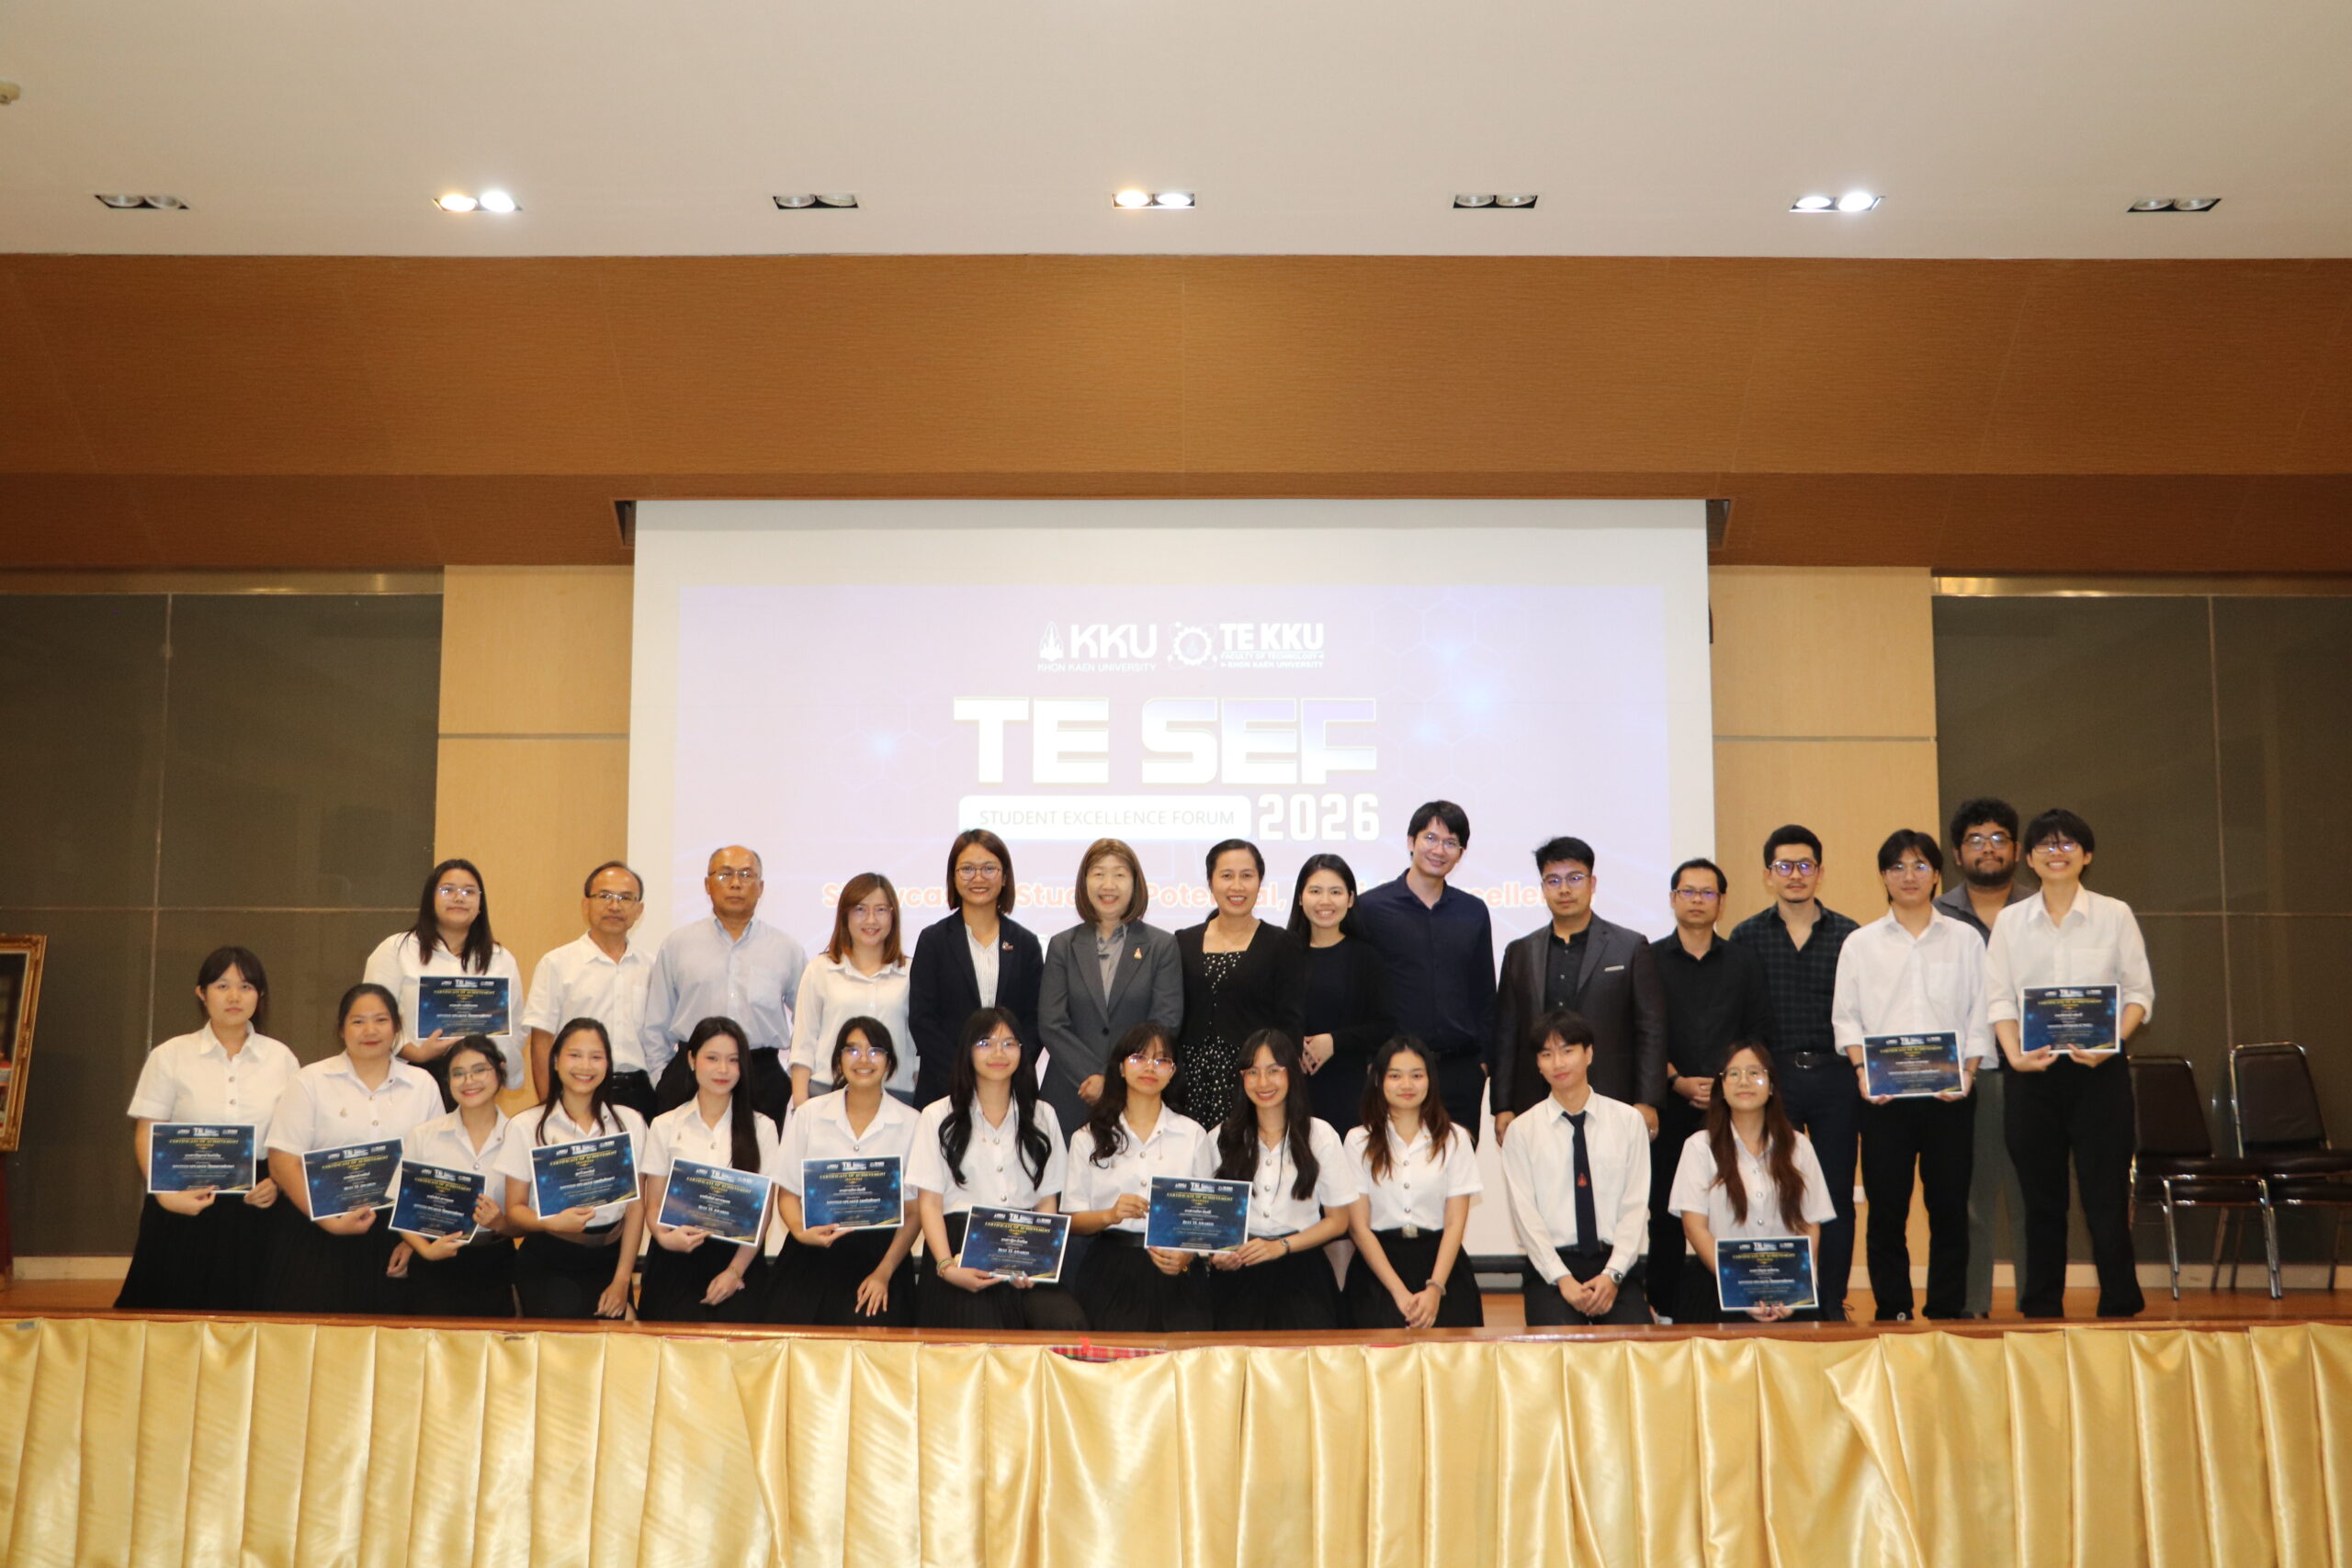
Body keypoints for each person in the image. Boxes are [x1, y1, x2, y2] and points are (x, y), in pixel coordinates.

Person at [1984, 808, 2153, 1320]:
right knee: (2041, 1200)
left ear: (2087, 854)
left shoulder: (2114, 914)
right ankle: (2041, 1305)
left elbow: (2140, 993)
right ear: (2028, 858)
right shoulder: (2010, 921)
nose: (2056, 853)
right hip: (2032, 1076)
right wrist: (2014, 1055)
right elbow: (1999, 998)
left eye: (2067, 844)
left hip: (2100, 1074)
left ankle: (2120, 1302)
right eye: (2045, 845)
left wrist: (2111, 1042)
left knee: (2105, 1198)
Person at [1832, 830, 1995, 1321]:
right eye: (1898, 867)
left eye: (1920, 866)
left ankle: (1946, 1306)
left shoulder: (1965, 940)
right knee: (1887, 1209)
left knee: (1950, 1207)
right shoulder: (1860, 944)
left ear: (1937, 874)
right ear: (1883, 877)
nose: (1909, 876)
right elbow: (1847, 1018)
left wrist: (1969, 1073)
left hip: (1951, 1096)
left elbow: (1981, 1012)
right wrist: (1862, 1072)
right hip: (1883, 1099)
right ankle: (1894, 1307)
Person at [118, 946, 300, 1312]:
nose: (234, 997)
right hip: (184, 1195)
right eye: (222, 986)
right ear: (201, 993)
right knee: (172, 1314)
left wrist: (278, 1183)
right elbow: (148, 1130)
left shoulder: (281, 1058)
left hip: (259, 1201)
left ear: (260, 995)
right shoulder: (170, 1055)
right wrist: (164, 1194)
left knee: (258, 1317)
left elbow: (293, 1137)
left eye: (246, 986)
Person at [1729, 825, 1861, 1319]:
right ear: (1768, 875)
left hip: (1836, 1077)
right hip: (1775, 1080)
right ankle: (1781, 1297)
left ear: (1820, 872)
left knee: (1835, 1195)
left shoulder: (1850, 935)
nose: (1795, 875)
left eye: (1805, 865)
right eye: (1784, 866)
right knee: (1774, 1192)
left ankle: (1830, 1302)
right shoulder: (1747, 935)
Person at [262, 983, 443, 1314]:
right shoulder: (310, 1081)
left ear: (397, 1028)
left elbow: (435, 1168)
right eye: (358, 1021)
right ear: (341, 1029)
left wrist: (415, 1240)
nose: (370, 1030)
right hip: (318, 1228)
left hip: (396, 1235)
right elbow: (282, 1162)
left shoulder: (423, 1085)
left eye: (381, 1020)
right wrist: (328, 1221)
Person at [1645, 857, 1771, 1317]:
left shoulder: (1743, 961)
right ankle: (1663, 1307)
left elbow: (1756, 1032)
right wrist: (1676, 1080)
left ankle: (1738, 1297)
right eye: (1688, 891)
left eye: (1707, 892)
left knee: (1733, 1205)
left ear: (1721, 902)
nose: (1697, 900)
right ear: (1673, 898)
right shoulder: (1648, 959)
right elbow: (1642, 1032)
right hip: (1668, 1104)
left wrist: (1724, 1084)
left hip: (1731, 1107)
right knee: (1665, 1209)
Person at [910, 1008, 1089, 1331]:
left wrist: (1038, 1264)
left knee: (1069, 1324)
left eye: (1009, 1043)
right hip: (960, 1251)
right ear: (967, 1052)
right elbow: (930, 1204)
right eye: (985, 1043)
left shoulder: (1043, 1115)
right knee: (986, 1329)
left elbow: (1047, 1200)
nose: (998, 1053)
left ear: (1022, 1051)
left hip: (1024, 1246)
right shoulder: (936, 1116)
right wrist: (947, 1266)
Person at [1491, 836, 1667, 1137]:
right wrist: (1503, 1105)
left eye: (1574, 878)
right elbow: (1506, 1033)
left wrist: (1647, 1100)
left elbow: (1651, 1028)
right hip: (1536, 1102)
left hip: (1612, 1096)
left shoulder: (1629, 947)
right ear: (1542, 888)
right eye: (1553, 880)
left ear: (1592, 883)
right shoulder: (1520, 952)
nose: (1564, 889)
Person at [1935, 797, 2031, 1319]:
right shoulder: (1936, 917)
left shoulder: (2040, 910)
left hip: (2035, 1071)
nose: (1987, 849)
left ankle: (2037, 1302)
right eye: (1975, 839)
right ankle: (1973, 1304)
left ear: (2016, 850)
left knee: (2032, 1193)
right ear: (1957, 853)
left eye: (1998, 838)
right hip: (1969, 1075)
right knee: (1971, 1196)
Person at [1352, 802, 1497, 1143]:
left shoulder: (1473, 912)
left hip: (1460, 1070)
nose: (1439, 849)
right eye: (1430, 838)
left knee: (1456, 1165)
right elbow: (1360, 991)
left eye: (1450, 842)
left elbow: (1484, 994)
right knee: (1390, 1166)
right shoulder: (1370, 908)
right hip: (1394, 1070)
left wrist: (1484, 1062)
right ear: (1410, 841)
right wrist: (1371, 1061)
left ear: (1461, 853)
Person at [1498, 1010, 1653, 1326]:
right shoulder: (1522, 1131)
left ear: (1589, 1054)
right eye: (1547, 1054)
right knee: (1558, 1348)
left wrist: (1613, 1274)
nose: (1558, 1063)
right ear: (1538, 1064)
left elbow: (1636, 1206)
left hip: (1615, 1265)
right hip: (1551, 1269)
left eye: (1567, 1051)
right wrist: (1562, 1278)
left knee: (1636, 1347)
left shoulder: (1628, 1121)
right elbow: (1525, 1216)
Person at [1199, 1030, 1359, 1331]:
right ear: (1241, 1078)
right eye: (1253, 1072)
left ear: (1292, 1073)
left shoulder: (1320, 1135)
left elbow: (1338, 1221)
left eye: (1274, 1070)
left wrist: (1281, 1246)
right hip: (1239, 1272)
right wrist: (1219, 1254)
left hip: (1303, 1271)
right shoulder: (1220, 1137)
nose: (1263, 1082)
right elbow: (1209, 1218)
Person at [638, 845, 808, 1125]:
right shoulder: (678, 945)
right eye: (725, 875)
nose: (736, 883)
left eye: (746, 875)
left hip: (762, 1077)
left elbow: (807, 1023)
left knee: (761, 1153)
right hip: (690, 1075)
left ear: (761, 887)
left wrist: (792, 1080)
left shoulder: (786, 948)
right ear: (707, 885)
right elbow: (656, 1023)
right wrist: (664, 1079)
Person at [1668, 1042, 1838, 1324]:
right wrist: (1739, 1288)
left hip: (1788, 1288)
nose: (1744, 1081)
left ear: (1771, 1086)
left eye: (1755, 1073)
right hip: (1717, 1285)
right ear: (1721, 1087)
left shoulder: (1799, 1147)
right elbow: (1695, 1228)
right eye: (1733, 1074)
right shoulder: (1699, 1147)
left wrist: (1797, 1289)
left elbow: (1810, 1223)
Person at [1064, 1022, 1215, 1332]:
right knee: (1113, 1359)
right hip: (1111, 1267)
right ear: (1120, 1068)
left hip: (1176, 1267)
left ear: (1172, 1072)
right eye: (1139, 1057)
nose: (1150, 1067)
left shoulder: (1193, 1135)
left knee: (1185, 1358)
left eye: (1161, 1060)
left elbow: (1209, 1218)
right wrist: (1109, 1215)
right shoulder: (1088, 1137)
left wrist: (1188, 1256)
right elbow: (1072, 1219)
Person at [769, 1018, 922, 1325]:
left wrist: (884, 1272)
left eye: (875, 1051)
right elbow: (787, 1193)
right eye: (852, 1051)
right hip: (812, 1251)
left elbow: (915, 1211)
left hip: (882, 1260)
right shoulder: (809, 1114)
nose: (864, 1060)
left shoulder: (912, 1122)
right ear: (838, 1060)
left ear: (890, 1062)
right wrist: (800, 1231)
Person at [495, 1018, 649, 1320]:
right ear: (555, 1061)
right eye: (574, 1055)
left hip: (610, 1261)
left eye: (596, 1057)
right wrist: (553, 1222)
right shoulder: (526, 1126)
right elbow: (514, 1210)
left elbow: (635, 1208)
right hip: (549, 1260)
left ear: (608, 1064)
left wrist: (622, 1280)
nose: (585, 1066)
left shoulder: (630, 1122)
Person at [1037, 838, 1183, 1141]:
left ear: (1135, 883)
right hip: (1071, 1093)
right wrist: (1093, 1076)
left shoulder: (1162, 945)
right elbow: (1052, 1023)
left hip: (1138, 1094)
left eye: (1119, 874)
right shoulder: (1063, 945)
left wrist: (1115, 1078)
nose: (1108, 885)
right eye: (1098, 874)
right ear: (1084, 882)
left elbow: (1165, 1022)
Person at [639, 1017, 780, 1323]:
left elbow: (763, 1215)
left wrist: (734, 1272)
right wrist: (665, 1239)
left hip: (738, 1262)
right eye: (712, 1058)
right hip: (675, 1256)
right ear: (691, 1060)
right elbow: (653, 1205)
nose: (723, 1069)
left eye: (733, 1060)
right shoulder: (665, 1125)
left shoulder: (763, 1128)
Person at [1343, 1036, 1484, 1328]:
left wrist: (1435, 1289)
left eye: (1417, 1075)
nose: (1407, 1085)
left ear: (1430, 1080)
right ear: (1379, 1080)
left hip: (1442, 1268)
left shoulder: (1455, 1138)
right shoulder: (1358, 1140)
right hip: (1378, 1269)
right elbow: (1358, 1227)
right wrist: (1399, 1293)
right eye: (1395, 1076)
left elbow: (1455, 1223)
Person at [365, 858, 527, 1107]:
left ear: (480, 904)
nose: (459, 898)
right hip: (410, 1080)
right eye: (447, 890)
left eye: (469, 892)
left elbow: (516, 1027)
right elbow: (372, 1018)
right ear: (430, 899)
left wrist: (499, 1060)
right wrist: (415, 1052)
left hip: (477, 1085)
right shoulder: (396, 951)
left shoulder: (500, 959)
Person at [1173, 840, 1306, 1128]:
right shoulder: (1183, 941)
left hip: (1252, 1080)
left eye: (1247, 875)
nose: (1237, 886)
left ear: (1260, 882)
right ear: (1210, 882)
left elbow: (1291, 1024)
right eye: (1226, 875)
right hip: (1189, 1083)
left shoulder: (1282, 944)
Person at [908, 829, 1044, 1109]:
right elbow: (923, 1019)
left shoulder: (1025, 943)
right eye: (968, 869)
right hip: (944, 1090)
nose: (978, 878)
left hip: (1010, 1092)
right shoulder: (933, 940)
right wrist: (964, 1076)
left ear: (1004, 877)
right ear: (953, 877)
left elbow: (1034, 1021)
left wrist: (1005, 1069)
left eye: (989, 869)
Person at [389, 1034, 520, 1318]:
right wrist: (425, 1251)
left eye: (479, 1070)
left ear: (500, 1071)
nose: (469, 1081)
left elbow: (527, 1220)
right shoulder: (425, 1135)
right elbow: (402, 1208)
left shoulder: (520, 1136)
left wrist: (501, 1223)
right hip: (435, 1263)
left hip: (495, 1264)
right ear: (448, 1081)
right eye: (458, 1074)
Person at [523, 861, 657, 1117]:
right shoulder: (557, 963)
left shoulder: (653, 967)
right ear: (586, 904)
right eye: (604, 896)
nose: (614, 906)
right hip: (578, 1089)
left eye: (625, 898)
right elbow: (542, 1041)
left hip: (640, 1093)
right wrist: (549, 1108)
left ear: (639, 909)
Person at [1287, 853, 1393, 1134]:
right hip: (1289, 1088)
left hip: (1348, 1091)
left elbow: (1384, 1026)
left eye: (1335, 892)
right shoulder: (1283, 953)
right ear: (1300, 898)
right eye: (1315, 891)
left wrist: (1334, 1042)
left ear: (1350, 899)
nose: (1325, 901)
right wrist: (1292, 1044)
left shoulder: (1366, 957)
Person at [788, 873, 914, 1108]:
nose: (871, 919)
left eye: (881, 910)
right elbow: (803, 1044)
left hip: (895, 1095)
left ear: (893, 915)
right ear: (845, 915)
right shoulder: (820, 969)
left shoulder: (910, 972)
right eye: (860, 909)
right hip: (827, 1092)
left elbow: (917, 1050)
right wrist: (800, 1105)